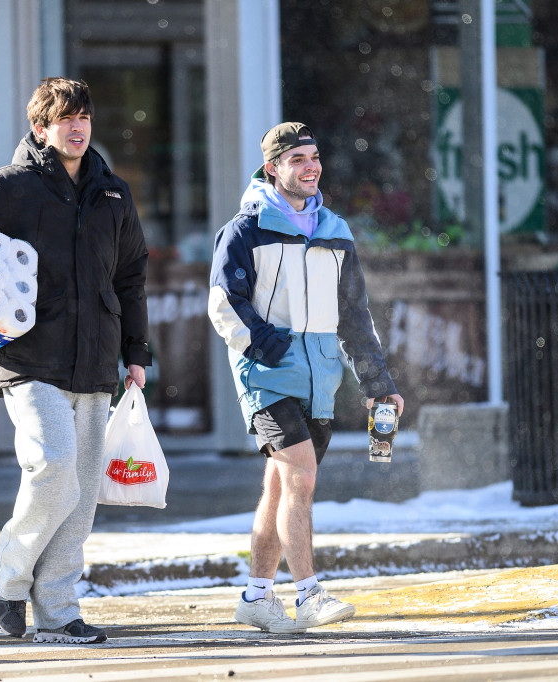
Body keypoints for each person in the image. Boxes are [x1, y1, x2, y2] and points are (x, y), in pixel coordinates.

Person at [0, 77, 152, 645]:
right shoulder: (8, 186)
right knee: (53, 468)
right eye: (65, 119)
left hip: (96, 362)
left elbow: (131, 279)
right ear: (40, 128)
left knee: (83, 488)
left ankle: (57, 609)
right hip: (27, 358)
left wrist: (136, 355)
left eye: (85, 118)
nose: (78, 128)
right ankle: (10, 580)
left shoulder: (112, 193)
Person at [208, 122, 404, 633]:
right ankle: (308, 595)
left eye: (315, 156)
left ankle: (255, 595)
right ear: (273, 168)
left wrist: (377, 384)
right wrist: (269, 346)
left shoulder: (336, 232)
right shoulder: (245, 229)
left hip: (320, 380)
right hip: (267, 377)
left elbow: (354, 316)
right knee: (301, 475)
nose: (311, 166)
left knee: (279, 489)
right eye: (298, 158)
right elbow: (223, 305)